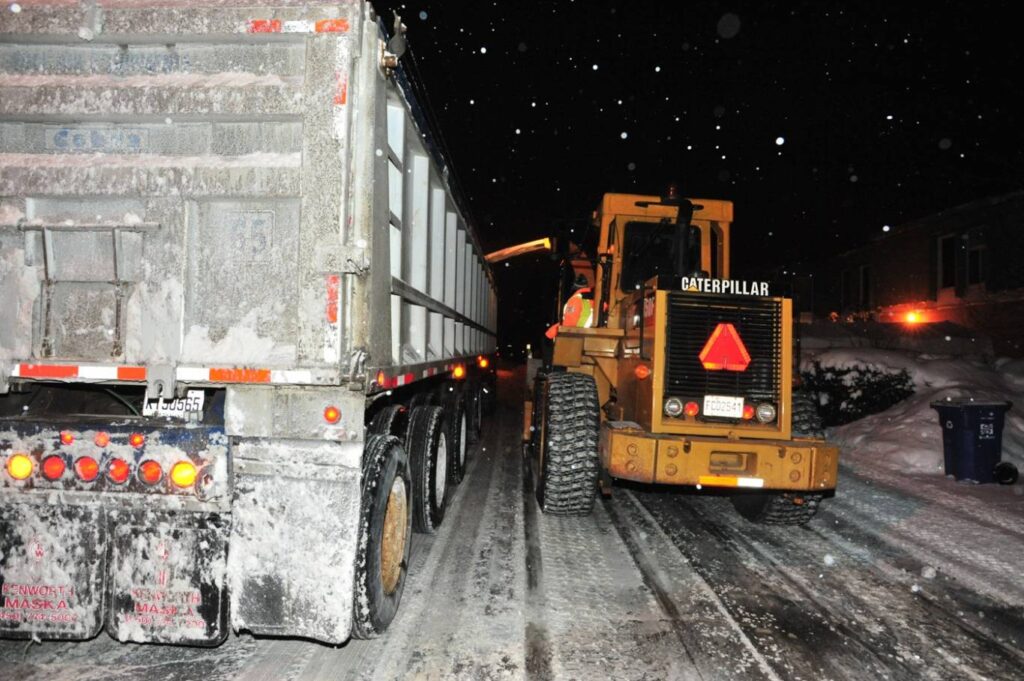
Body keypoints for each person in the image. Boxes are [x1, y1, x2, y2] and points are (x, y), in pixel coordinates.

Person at [545, 274, 593, 339]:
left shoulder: (575, 300)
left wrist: (550, 333)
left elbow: (569, 324)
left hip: (577, 338)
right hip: (589, 336)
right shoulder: (595, 299)